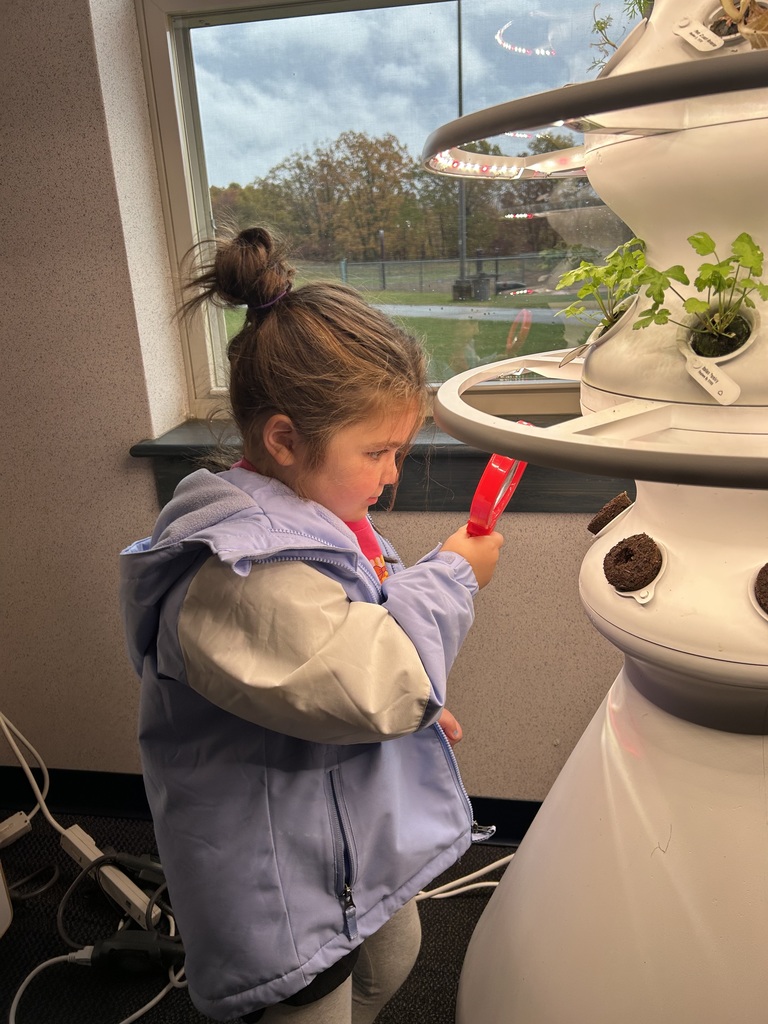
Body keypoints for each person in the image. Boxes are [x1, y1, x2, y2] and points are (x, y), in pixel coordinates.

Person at [119, 226, 504, 1023]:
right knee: (314, 999)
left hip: (338, 823)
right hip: (277, 876)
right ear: (285, 440)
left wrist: (414, 704)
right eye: (379, 453)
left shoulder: (321, 521)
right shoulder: (237, 576)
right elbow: (370, 679)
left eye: (400, 452)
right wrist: (454, 576)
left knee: (393, 953)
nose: (392, 477)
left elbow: (356, 642)